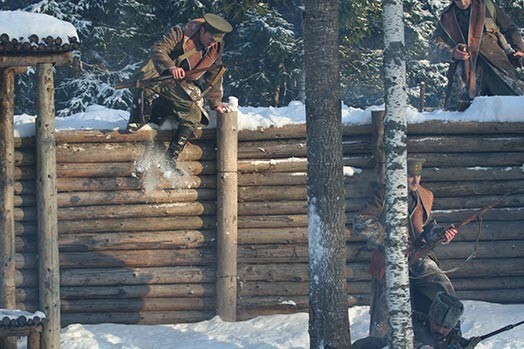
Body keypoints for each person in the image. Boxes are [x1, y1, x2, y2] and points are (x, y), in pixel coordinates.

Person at [353, 158, 458, 338]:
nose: (415, 181)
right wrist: (392, 239)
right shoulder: (383, 195)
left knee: (443, 286)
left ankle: (447, 335)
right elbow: (361, 221)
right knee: (384, 309)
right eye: (410, 176)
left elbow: (422, 231)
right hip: (389, 259)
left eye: (418, 175)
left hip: (419, 257)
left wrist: (441, 234)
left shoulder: (425, 196)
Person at [127, 13, 233, 165]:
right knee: (144, 120)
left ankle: (169, 160)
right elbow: (159, 49)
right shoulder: (180, 33)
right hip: (157, 79)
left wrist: (215, 102)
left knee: (194, 114)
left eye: (215, 41)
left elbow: (214, 72)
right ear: (202, 31)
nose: (211, 44)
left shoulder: (215, 46)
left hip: (180, 86)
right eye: (210, 39)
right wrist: (171, 67)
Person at [429, 0, 524, 111]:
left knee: (516, 104)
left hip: (497, 64)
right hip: (465, 74)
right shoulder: (447, 16)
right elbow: (434, 43)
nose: (462, 2)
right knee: (458, 113)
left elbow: (509, 28)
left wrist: (520, 49)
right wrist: (452, 53)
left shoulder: (487, 6)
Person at [352, 292, 481, 349]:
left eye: (446, 327)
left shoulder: (454, 335)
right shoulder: (413, 323)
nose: (441, 330)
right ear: (430, 318)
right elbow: (389, 341)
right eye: (437, 324)